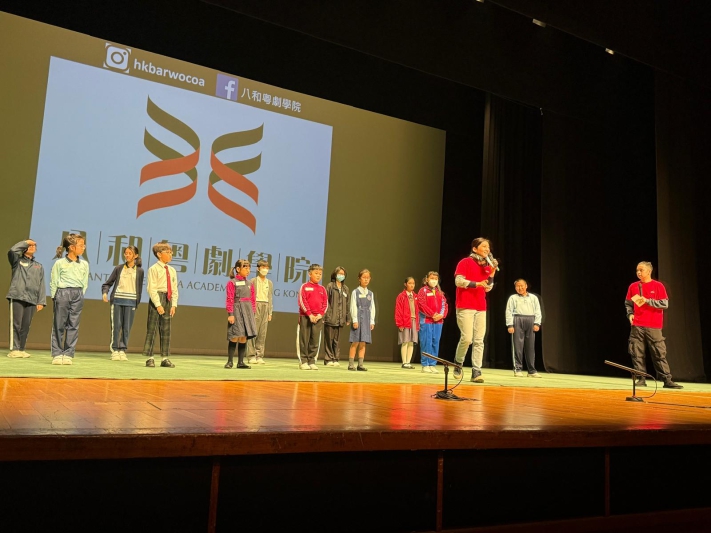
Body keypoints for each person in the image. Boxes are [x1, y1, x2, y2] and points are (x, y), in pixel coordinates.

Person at [625, 261, 683, 389]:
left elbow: (664, 304)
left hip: (653, 325)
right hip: (637, 325)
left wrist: (647, 300)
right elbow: (628, 303)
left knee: (658, 353)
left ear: (649, 271)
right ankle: (641, 378)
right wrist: (630, 314)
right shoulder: (633, 286)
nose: (638, 272)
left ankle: (667, 380)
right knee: (636, 352)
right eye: (637, 270)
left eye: (641, 270)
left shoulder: (658, 286)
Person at [453, 238, 497, 382]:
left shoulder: (487, 266)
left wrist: (492, 273)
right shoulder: (465, 262)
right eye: (484, 246)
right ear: (474, 248)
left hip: (480, 306)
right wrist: (477, 284)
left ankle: (476, 371)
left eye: (488, 247)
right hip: (465, 305)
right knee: (467, 338)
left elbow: (488, 287)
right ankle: (458, 363)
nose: (487, 249)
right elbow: (458, 281)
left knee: (479, 340)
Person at [49, 233, 90, 365]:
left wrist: (80, 294)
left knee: (73, 325)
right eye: (81, 245)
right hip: (62, 293)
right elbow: (54, 281)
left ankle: (68, 353)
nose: (84, 247)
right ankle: (57, 353)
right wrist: (55, 296)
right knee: (59, 324)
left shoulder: (84, 264)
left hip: (77, 293)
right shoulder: (59, 263)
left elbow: (85, 282)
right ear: (72, 247)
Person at [101, 246, 144, 361]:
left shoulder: (140, 271)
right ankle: (115, 350)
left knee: (127, 328)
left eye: (130, 253)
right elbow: (108, 283)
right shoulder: (119, 268)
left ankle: (122, 350)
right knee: (116, 326)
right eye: (126, 253)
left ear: (135, 255)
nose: (127, 255)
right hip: (117, 300)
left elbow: (139, 288)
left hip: (131, 302)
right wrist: (105, 293)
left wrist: (136, 302)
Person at [6, 239, 46, 358]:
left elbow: (41, 284)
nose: (32, 246)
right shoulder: (17, 261)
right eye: (30, 245)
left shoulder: (39, 266)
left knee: (25, 325)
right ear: (24, 248)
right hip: (17, 296)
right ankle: (14, 349)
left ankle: (21, 349)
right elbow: (12, 251)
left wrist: (41, 301)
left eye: (34, 245)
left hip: (32, 298)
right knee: (16, 324)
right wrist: (25, 242)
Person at [143, 243, 178, 368]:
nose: (170, 255)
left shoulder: (172, 270)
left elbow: (174, 288)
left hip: (168, 298)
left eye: (171, 252)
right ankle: (150, 357)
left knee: (166, 329)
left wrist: (174, 304)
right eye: (167, 252)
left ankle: (165, 358)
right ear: (159, 254)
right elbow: (151, 288)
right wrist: (158, 304)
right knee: (152, 328)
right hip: (157, 297)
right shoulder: (154, 269)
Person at [505, 279, 542, 378]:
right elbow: (508, 311)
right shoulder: (513, 298)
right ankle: (518, 369)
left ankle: (532, 370)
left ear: (526, 286)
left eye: (521, 286)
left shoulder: (533, 297)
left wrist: (537, 323)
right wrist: (510, 325)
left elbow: (538, 311)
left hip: (530, 320)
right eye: (517, 286)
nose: (520, 288)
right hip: (517, 319)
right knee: (517, 346)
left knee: (530, 346)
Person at [225, 259, 257, 369]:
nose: (248, 270)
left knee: (244, 336)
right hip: (237, 309)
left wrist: (252, 312)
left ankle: (241, 362)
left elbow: (253, 299)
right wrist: (230, 314)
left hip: (247, 310)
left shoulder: (250, 284)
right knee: (235, 335)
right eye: (245, 267)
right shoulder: (232, 282)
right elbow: (229, 299)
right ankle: (230, 362)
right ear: (238, 269)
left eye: (249, 268)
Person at [297, 264, 328, 370]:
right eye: (316, 273)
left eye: (320, 274)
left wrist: (320, 315)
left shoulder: (322, 289)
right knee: (304, 340)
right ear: (310, 274)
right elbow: (302, 301)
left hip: (318, 318)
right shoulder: (304, 287)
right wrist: (309, 314)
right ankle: (303, 361)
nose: (318, 275)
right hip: (306, 317)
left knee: (315, 340)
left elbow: (325, 304)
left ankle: (312, 361)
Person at [417, 271, 448, 373]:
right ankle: (425, 364)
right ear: (427, 279)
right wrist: (432, 314)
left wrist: (441, 315)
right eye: (432, 278)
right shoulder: (423, 291)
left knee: (435, 342)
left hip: (438, 322)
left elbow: (444, 305)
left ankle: (432, 364)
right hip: (426, 320)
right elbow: (421, 304)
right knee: (426, 342)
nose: (434, 280)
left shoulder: (440, 293)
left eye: (436, 279)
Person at [247, 259, 273, 365]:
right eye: (263, 267)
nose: (265, 269)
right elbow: (249, 296)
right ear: (258, 269)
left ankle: (259, 355)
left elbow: (270, 297)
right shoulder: (253, 281)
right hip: (255, 305)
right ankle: (251, 356)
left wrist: (270, 312)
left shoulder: (269, 283)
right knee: (253, 332)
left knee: (262, 333)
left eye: (267, 268)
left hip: (265, 306)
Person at [348, 269, 376, 371]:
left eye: (368, 278)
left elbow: (372, 307)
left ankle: (360, 364)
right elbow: (353, 306)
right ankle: (351, 364)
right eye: (364, 277)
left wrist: (372, 321)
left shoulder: (370, 293)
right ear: (359, 279)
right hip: (358, 317)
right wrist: (355, 320)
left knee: (363, 342)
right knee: (355, 341)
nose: (366, 279)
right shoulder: (355, 292)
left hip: (367, 318)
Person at [323, 266, 350, 367]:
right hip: (330, 317)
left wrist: (347, 317)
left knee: (337, 340)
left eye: (343, 274)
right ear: (335, 274)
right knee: (329, 339)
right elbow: (325, 302)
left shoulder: (345, 289)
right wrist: (325, 316)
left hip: (341, 318)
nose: (341, 276)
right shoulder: (330, 286)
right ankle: (328, 359)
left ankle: (335, 358)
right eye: (339, 274)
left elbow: (347, 304)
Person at [395, 277, 419, 370]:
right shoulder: (401, 296)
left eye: (413, 283)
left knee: (411, 342)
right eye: (410, 283)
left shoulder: (415, 296)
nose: (412, 285)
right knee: (405, 341)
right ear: (405, 284)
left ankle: (408, 362)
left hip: (414, 321)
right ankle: (404, 362)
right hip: (405, 321)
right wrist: (400, 323)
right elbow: (398, 310)